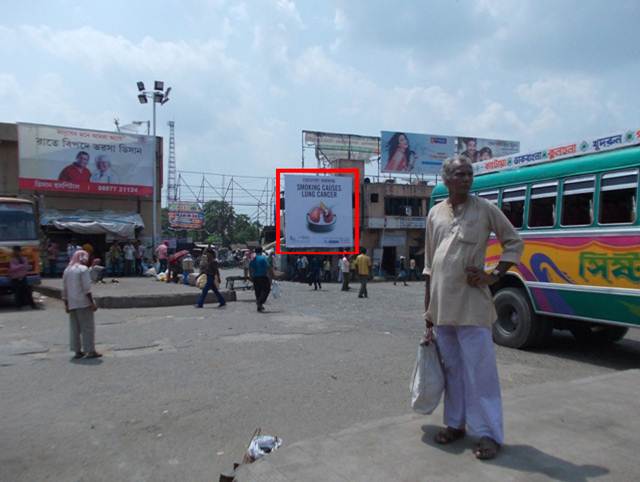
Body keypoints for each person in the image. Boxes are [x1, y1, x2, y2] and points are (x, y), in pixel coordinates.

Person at [423, 155, 523, 460]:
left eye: (469, 174)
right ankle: (455, 424)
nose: (466, 179)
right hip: (442, 308)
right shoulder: (435, 214)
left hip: (472, 306)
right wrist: (427, 314)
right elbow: (428, 266)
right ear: (446, 179)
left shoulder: (485, 209)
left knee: (481, 374)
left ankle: (489, 434)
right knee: (452, 370)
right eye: (459, 174)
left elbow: (514, 242)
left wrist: (493, 274)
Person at [62, 250, 101, 359]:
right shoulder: (83, 270)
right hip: (83, 302)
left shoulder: (67, 270)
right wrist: (92, 302)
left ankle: (77, 350)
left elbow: (64, 289)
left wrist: (66, 303)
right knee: (87, 327)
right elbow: (86, 289)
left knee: (75, 328)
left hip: (72, 303)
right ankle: (90, 350)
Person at [249, 246, 273, 312]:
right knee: (266, 289)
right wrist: (271, 276)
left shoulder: (253, 259)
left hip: (255, 277)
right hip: (263, 276)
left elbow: (250, 268)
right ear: (261, 251)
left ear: (255, 251)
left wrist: (251, 276)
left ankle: (259, 306)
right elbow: (268, 267)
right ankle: (260, 302)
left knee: (258, 292)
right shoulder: (264, 258)